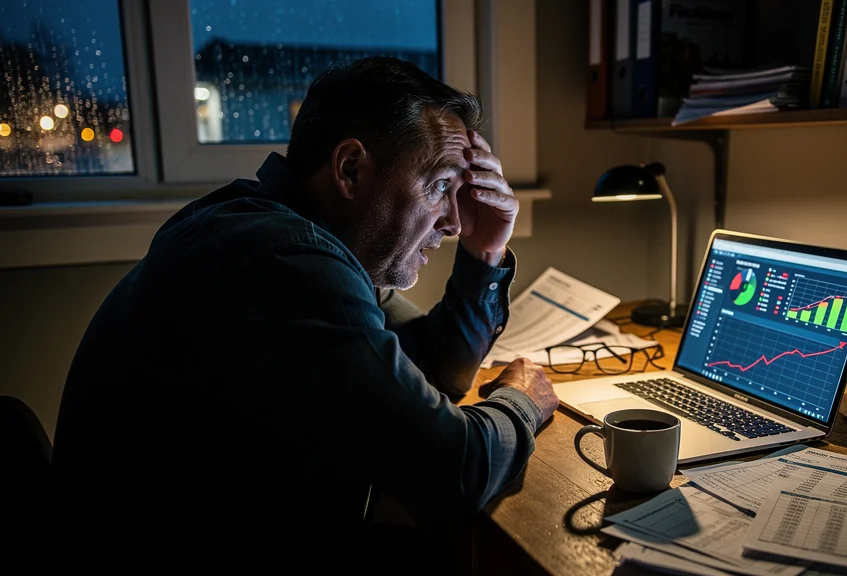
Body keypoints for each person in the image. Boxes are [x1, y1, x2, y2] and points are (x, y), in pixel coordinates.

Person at [47, 57, 558, 565]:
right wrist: (523, 399)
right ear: (351, 169)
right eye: (439, 185)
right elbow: (453, 472)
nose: (453, 222)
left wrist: (484, 252)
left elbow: (437, 367)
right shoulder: (286, 264)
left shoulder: (286, 232)